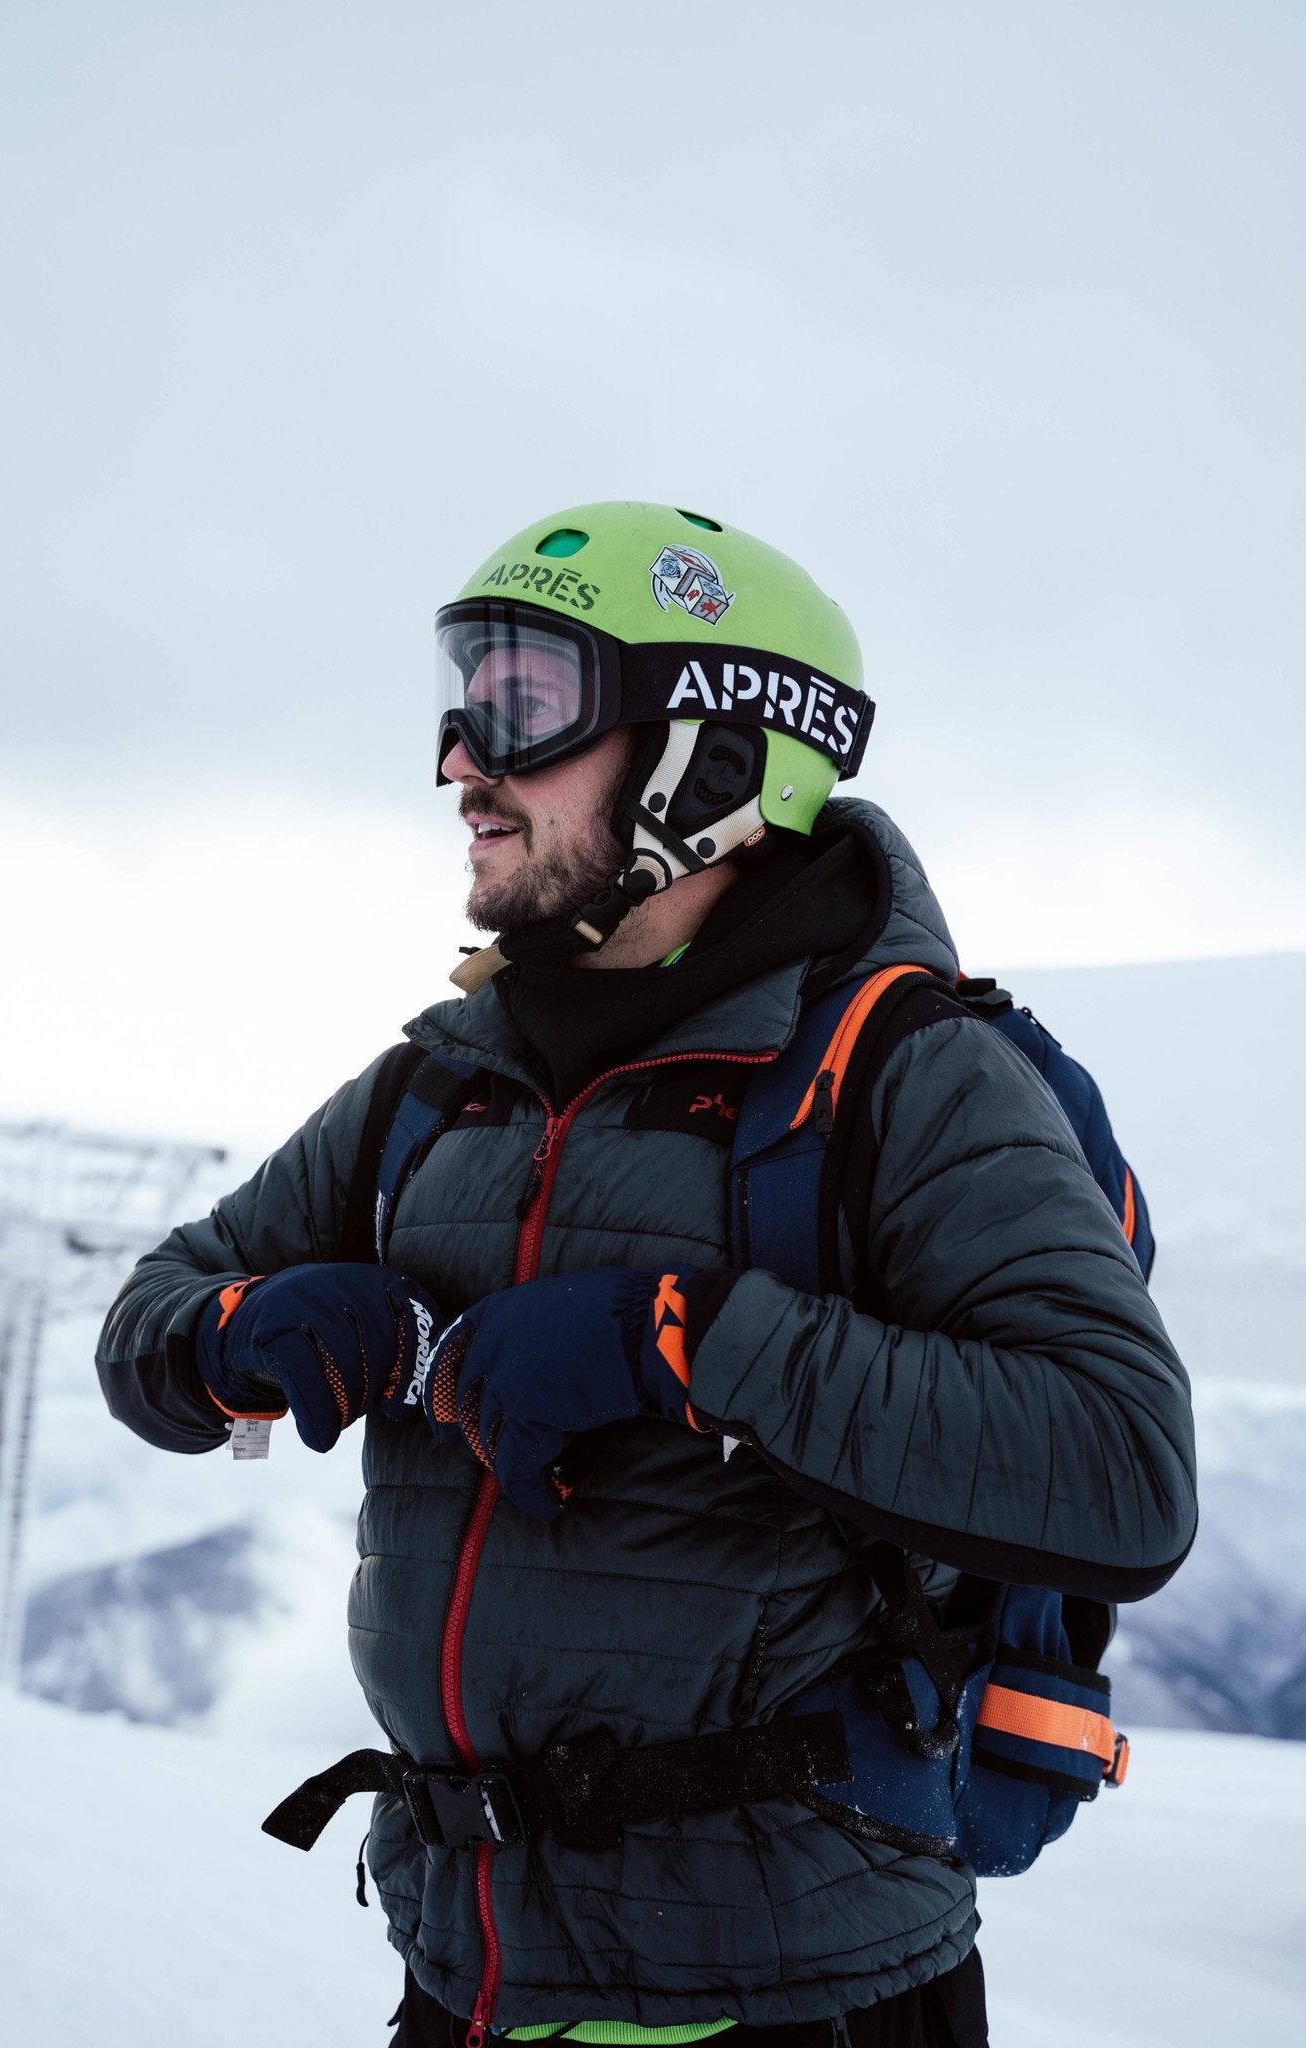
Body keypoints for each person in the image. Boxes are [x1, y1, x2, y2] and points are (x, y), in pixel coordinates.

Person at [97, 502, 1196, 2048]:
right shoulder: (442, 1083)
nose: (458, 761)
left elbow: (1120, 1471)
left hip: (800, 1998)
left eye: (525, 703)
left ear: (717, 755)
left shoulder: (902, 1076)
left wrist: (679, 1344)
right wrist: (238, 1334)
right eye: (460, 697)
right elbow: (151, 1319)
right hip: (467, 1980)